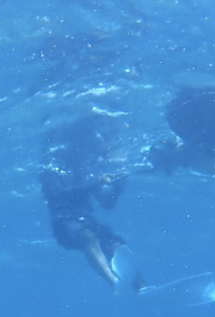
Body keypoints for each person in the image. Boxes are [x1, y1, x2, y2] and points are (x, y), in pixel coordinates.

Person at [40, 113, 142, 291]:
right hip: (64, 222)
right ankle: (113, 282)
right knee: (88, 237)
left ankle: (142, 287)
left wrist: (118, 187)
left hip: (86, 220)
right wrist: (95, 182)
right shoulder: (51, 167)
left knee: (116, 245)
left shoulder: (86, 171)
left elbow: (107, 204)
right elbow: (58, 192)